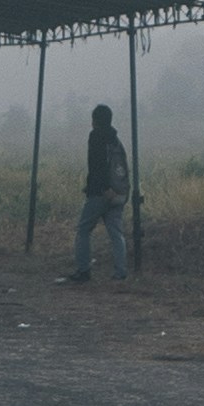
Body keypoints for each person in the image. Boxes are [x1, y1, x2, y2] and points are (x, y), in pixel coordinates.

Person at [65, 103, 130, 282]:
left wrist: (102, 189)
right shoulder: (116, 139)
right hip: (118, 194)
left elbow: (96, 166)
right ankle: (121, 272)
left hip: (101, 194)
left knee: (84, 230)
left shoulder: (96, 136)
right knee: (116, 233)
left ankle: (83, 271)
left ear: (95, 121)